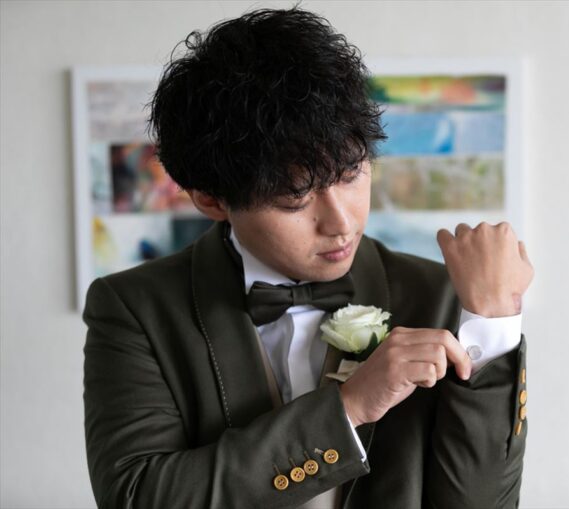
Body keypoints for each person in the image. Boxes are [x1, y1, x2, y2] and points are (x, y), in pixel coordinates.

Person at [82, 7, 534, 509]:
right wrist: (347, 409)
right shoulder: (134, 308)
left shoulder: (440, 294)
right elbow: (136, 497)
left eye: (352, 173)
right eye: (294, 201)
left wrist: (494, 324)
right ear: (210, 200)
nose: (341, 222)